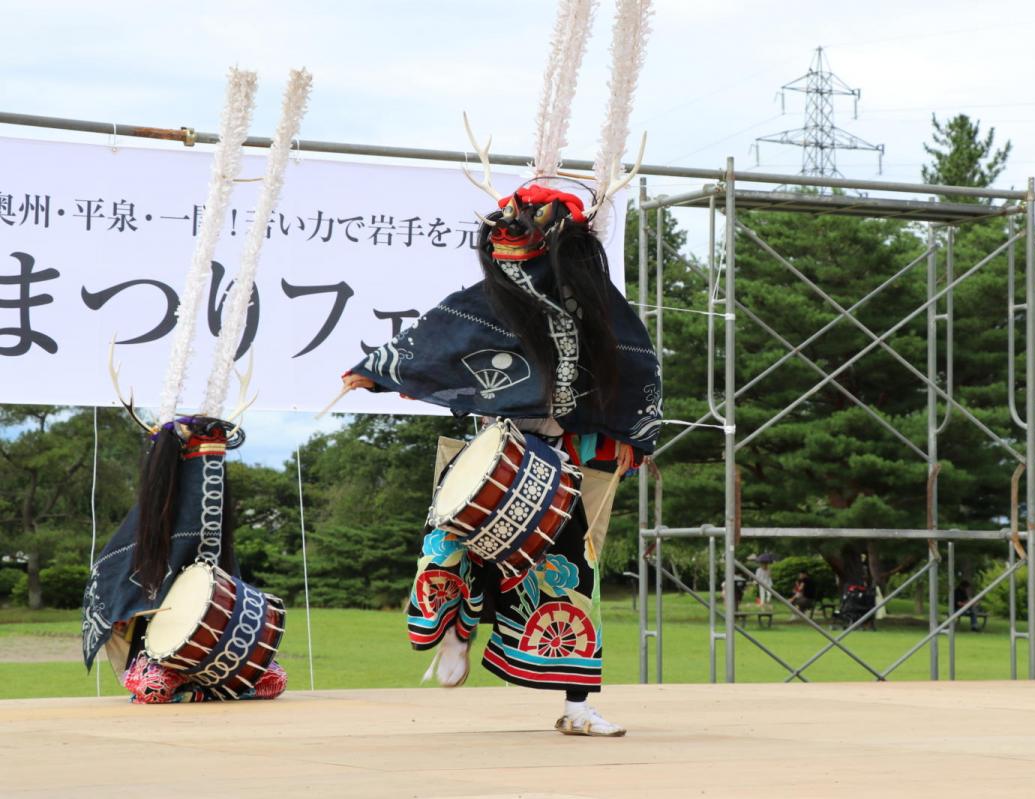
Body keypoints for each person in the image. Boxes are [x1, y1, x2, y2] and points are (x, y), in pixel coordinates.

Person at [343, 179, 661, 736]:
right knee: (447, 546)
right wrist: (376, 371)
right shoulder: (488, 301)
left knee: (571, 581)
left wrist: (630, 434)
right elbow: (437, 338)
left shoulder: (594, 304)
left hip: (557, 460)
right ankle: (452, 631)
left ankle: (578, 707)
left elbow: (635, 363)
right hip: (493, 448)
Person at [82, 418, 287, 703]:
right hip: (156, 652)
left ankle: (202, 687)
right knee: (155, 687)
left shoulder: (213, 532)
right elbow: (112, 595)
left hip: (215, 653)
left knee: (273, 680)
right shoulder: (144, 529)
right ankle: (189, 684)